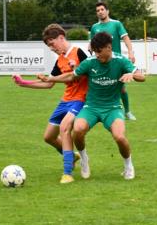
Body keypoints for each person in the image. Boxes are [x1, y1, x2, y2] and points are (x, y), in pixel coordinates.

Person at [46, 31, 146, 180]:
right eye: (95, 51)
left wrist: (132, 74)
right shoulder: (90, 62)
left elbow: (142, 77)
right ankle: (84, 159)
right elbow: (72, 76)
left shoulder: (121, 61)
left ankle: (128, 165)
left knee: (119, 137)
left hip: (112, 107)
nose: (97, 55)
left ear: (109, 47)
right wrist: (51, 79)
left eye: (99, 51)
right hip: (91, 107)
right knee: (77, 130)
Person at [13, 24, 89, 184]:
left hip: (80, 99)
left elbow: (81, 74)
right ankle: (72, 156)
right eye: (49, 46)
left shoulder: (79, 52)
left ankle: (67, 173)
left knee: (65, 128)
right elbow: (48, 83)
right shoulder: (60, 60)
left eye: (52, 44)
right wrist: (24, 83)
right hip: (65, 100)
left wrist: (69, 71)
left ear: (61, 37)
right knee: (48, 137)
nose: (51, 48)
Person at [91, 1, 137, 120]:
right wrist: (91, 49)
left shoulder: (116, 24)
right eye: (98, 11)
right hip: (101, 62)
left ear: (107, 11)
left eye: (102, 9)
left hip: (116, 62)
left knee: (121, 88)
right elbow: (92, 43)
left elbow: (125, 38)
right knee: (100, 86)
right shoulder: (95, 27)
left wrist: (130, 52)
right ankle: (99, 111)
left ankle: (127, 112)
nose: (100, 12)